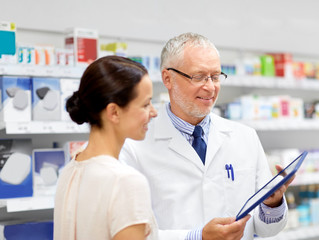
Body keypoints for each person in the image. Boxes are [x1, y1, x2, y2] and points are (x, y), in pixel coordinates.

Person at [119, 33, 291, 240]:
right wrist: (196, 236)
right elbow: (130, 234)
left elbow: (264, 229)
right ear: (167, 78)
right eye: (198, 76)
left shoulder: (245, 137)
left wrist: (272, 204)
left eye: (216, 76)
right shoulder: (133, 146)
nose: (210, 87)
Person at [54, 56, 158, 240]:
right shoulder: (125, 181)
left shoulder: (70, 170)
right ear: (114, 112)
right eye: (145, 104)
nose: (154, 112)